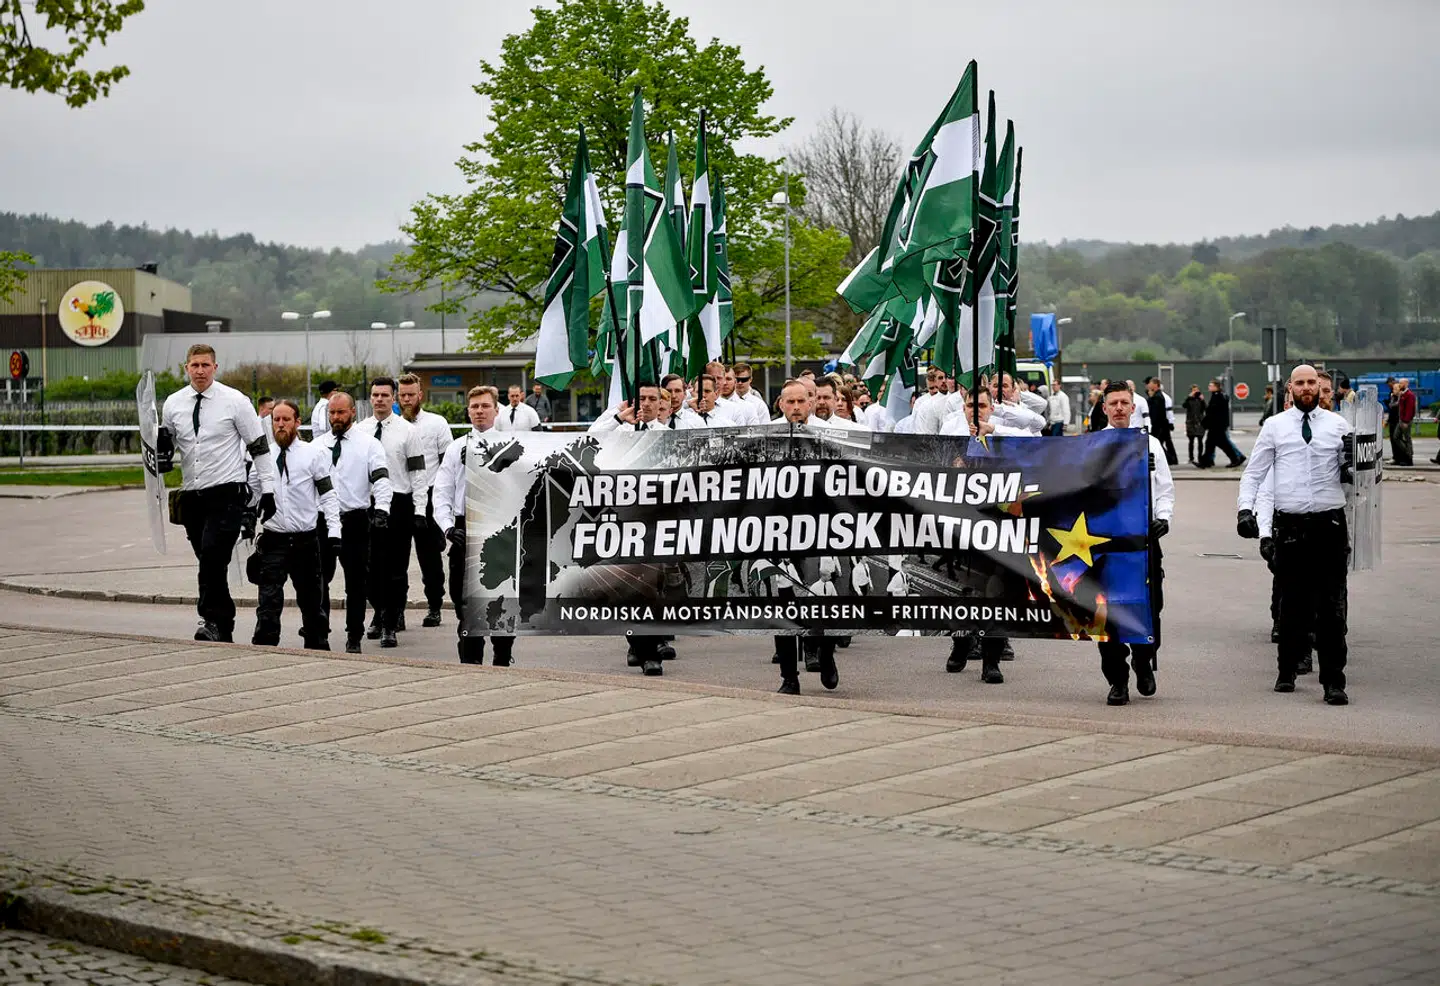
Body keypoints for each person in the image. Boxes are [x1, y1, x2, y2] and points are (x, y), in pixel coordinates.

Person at [1237, 364, 1352, 705]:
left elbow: (1360, 474)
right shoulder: (1275, 426)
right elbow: (1254, 473)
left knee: (1331, 608)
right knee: (1292, 604)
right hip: (1290, 526)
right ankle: (1287, 668)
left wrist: (1353, 464)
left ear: (1319, 387)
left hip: (1329, 525)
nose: (1306, 387)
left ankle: (1333, 681)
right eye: (1300, 382)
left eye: (1311, 382)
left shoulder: (1338, 426)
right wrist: (1246, 510)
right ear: (1290, 388)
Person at [157, 344, 277, 643]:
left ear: (215, 367)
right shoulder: (173, 403)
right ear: (186, 368)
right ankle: (223, 624)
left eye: (205, 365)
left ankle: (210, 619)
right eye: (195, 365)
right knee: (209, 562)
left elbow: (258, 446)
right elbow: (168, 443)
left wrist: (268, 490)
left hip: (227, 493)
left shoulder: (235, 401)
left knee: (212, 556)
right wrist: (161, 452)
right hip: (192, 495)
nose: (200, 371)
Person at [1095, 383, 1173, 705]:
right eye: (1112, 403)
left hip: (1142, 541)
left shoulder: (1150, 444)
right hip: (1104, 543)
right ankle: (1117, 680)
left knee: (1150, 607)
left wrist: (1163, 518)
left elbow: (1165, 488)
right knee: (1107, 611)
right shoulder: (1091, 446)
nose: (1118, 408)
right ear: (1104, 408)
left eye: (1123, 403)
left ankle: (1143, 659)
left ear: (1133, 406)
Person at [246, 399, 338, 650]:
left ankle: (317, 646)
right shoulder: (263, 457)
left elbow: (328, 495)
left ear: (297, 422)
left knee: (312, 600)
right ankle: (265, 647)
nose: (280, 424)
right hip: (273, 539)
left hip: (305, 540)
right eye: (276, 419)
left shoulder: (313, 454)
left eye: (286, 419)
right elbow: (253, 493)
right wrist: (246, 513)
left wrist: (334, 531)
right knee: (268, 600)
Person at [434, 386, 516, 666]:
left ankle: (502, 658)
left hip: (500, 529)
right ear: (468, 411)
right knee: (465, 603)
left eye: (485, 406)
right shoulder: (456, 447)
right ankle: (470, 665)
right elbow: (442, 491)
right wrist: (447, 527)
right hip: (464, 529)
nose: (480, 411)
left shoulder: (513, 446)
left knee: (502, 600)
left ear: (496, 410)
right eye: (475, 407)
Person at [770, 380, 840, 695]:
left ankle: (825, 653)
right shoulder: (767, 438)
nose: (796, 407)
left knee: (820, 602)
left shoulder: (829, 436)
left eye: (801, 401)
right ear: (781, 404)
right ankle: (789, 676)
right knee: (783, 608)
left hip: (819, 532)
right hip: (778, 534)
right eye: (790, 402)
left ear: (810, 403)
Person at [313, 392, 393, 654]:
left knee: (356, 582)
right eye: (332, 413)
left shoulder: (369, 444)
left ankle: (354, 635)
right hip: (323, 521)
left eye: (341, 412)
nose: (336, 417)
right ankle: (320, 630)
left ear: (352, 413)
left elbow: (381, 478)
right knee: (319, 579)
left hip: (355, 520)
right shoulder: (317, 445)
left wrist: (382, 509)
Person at [355, 377, 425, 647]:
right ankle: (379, 611)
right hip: (368, 504)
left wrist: (420, 510)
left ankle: (390, 623)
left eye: (385, 395)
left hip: (399, 503)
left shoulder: (408, 431)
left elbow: (418, 474)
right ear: (370, 398)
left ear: (393, 398)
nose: (380, 399)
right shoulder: (360, 430)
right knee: (370, 567)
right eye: (375, 395)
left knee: (395, 567)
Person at [397, 373, 455, 628]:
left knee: (430, 557)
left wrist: (444, 502)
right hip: (400, 497)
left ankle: (434, 606)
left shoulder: (437, 424)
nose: (407, 399)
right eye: (403, 395)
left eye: (411, 394)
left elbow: (448, 463)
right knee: (396, 559)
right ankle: (396, 611)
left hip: (429, 496)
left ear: (420, 395)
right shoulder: (391, 426)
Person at [1199, 379, 1245, 468]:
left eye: (1211, 385)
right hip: (1216, 425)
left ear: (1216, 387)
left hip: (1217, 426)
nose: (1209, 387)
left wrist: (1205, 422)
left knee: (1222, 444)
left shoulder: (1218, 397)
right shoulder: (1217, 396)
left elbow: (1213, 412)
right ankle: (1206, 462)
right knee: (1210, 444)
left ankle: (1235, 459)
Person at [1145, 378, 1178, 464]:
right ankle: (1172, 459)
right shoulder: (1156, 396)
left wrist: (1171, 422)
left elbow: (1157, 412)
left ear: (1155, 385)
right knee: (1165, 442)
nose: (1149, 385)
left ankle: (1170, 459)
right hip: (1161, 424)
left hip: (1159, 425)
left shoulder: (1158, 397)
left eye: (1151, 383)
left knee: (1156, 443)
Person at [1391, 378, 1416, 466]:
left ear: (1406, 384)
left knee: (1407, 438)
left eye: (1401, 383)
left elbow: (1409, 409)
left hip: (1405, 421)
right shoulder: (1402, 394)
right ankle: (1408, 451)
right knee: (1396, 437)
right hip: (1401, 420)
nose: (1399, 385)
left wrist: (1406, 421)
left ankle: (1409, 458)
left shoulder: (1409, 395)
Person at [1182, 384, 1206, 463]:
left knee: (1200, 441)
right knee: (1191, 441)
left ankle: (1200, 457)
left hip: (1200, 422)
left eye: (1197, 390)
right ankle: (1191, 458)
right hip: (1191, 422)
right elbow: (1184, 405)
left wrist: (1202, 400)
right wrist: (1189, 397)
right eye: (1194, 390)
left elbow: (1205, 408)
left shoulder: (1200, 399)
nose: (1195, 392)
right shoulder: (1189, 399)